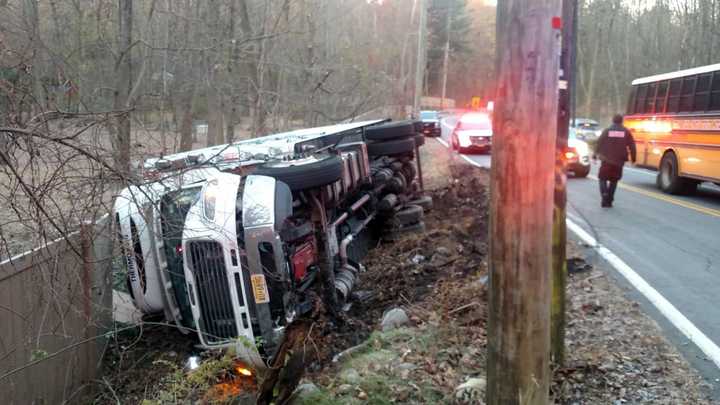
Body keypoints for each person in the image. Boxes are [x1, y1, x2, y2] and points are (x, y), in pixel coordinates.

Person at [593, 114, 636, 208]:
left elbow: (599, 143)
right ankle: (609, 200)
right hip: (618, 161)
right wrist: (633, 159)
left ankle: (604, 194)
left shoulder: (607, 131)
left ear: (613, 121)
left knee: (602, 178)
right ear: (622, 121)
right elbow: (632, 146)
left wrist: (594, 155)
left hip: (606, 160)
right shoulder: (626, 132)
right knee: (614, 180)